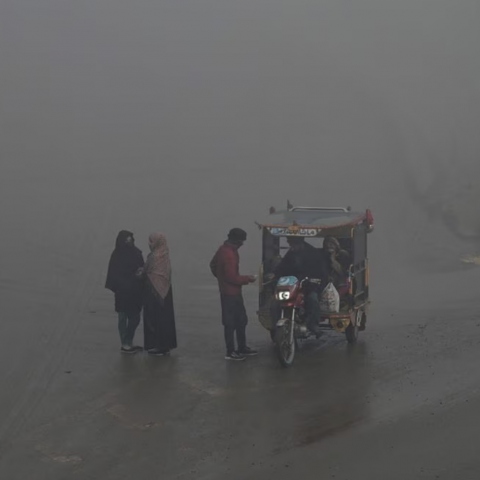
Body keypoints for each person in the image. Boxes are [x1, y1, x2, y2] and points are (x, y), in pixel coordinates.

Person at [210, 228, 257, 361]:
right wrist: (248, 279)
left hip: (229, 292)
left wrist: (220, 278)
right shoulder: (229, 255)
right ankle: (231, 351)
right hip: (231, 294)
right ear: (237, 241)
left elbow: (212, 265)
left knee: (240, 320)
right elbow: (232, 277)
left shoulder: (223, 250)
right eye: (242, 241)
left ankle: (241, 347)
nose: (242, 244)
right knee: (231, 323)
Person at [273, 237, 328, 334]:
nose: (292, 247)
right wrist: (274, 275)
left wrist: (313, 280)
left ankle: (313, 325)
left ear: (300, 243)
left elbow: (322, 274)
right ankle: (275, 326)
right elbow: (282, 267)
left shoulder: (314, 254)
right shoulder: (291, 254)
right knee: (276, 302)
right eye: (291, 245)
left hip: (310, 285)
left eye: (294, 245)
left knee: (312, 299)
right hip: (293, 285)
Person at [105, 230, 145, 354]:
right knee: (122, 317)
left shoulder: (137, 253)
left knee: (135, 318)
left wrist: (140, 276)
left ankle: (128, 340)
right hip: (122, 291)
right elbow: (112, 273)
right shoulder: (116, 255)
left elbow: (142, 268)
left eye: (130, 239)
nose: (129, 242)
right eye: (126, 240)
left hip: (135, 291)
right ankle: (125, 344)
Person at [142, 233, 177, 356]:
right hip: (166, 290)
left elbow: (146, 270)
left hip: (154, 290)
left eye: (151, 241)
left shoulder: (154, 256)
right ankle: (166, 345)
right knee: (165, 318)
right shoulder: (165, 254)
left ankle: (157, 346)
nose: (149, 244)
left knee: (154, 318)